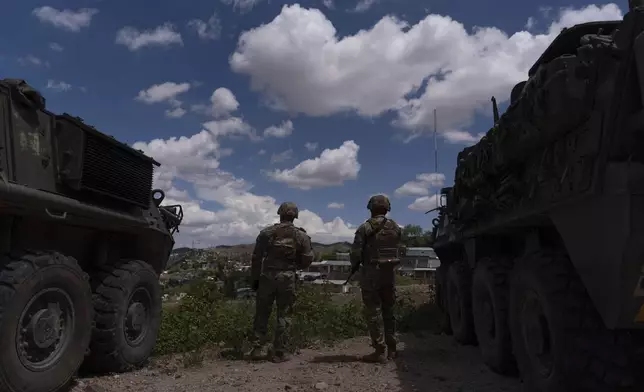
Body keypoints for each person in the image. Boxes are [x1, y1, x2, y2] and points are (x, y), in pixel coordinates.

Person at [249, 202, 315, 362]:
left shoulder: (267, 233)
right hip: (287, 278)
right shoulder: (301, 236)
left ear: (280, 213)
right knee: (284, 314)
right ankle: (279, 352)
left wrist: (255, 279)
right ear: (295, 216)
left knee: (262, 313)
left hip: (267, 277)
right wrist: (294, 266)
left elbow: (256, 258)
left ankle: (257, 349)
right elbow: (307, 259)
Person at [350, 194, 403, 363]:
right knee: (389, 311)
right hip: (389, 274)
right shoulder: (395, 227)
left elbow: (356, 253)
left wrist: (356, 265)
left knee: (373, 312)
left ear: (371, 208)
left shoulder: (365, 227)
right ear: (387, 208)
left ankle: (379, 351)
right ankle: (393, 349)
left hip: (371, 274)